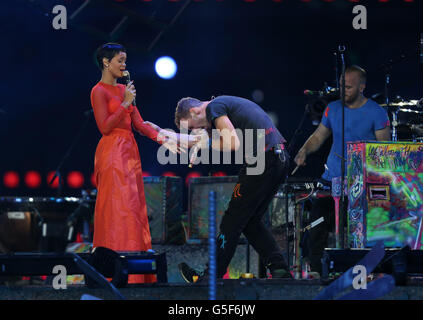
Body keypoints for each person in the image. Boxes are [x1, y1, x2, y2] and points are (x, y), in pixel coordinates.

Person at [171, 95, 291, 282]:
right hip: (279, 158)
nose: (196, 132)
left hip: (263, 160)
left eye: (193, 128)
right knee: (250, 222)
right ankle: (280, 269)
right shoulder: (222, 106)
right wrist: (203, 141)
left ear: (194, 112)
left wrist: (202, 142)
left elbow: (232, 143)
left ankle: (211, 275)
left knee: (231, 220)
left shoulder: (214, 107)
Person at [90, 43, 182, 283]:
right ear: (106, 62)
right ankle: (113, 271)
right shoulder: (98, 91)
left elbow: (139, 125)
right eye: (120, 60)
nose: (124, 65)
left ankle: (137, 275)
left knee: (133, 209)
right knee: (116, 209)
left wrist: (165, 140)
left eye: (125, 61)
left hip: (130, 153)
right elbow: (105, 127)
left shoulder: (124, 90)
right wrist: (124, 103)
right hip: (111, 153)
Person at [294, 65, 391, 276]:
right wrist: (304, 151)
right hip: (331, 181)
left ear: (362, 87)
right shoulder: (333, 109)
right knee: (316, 221)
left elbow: (386, 152)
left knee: (364, 227)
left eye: (347, 87)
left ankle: (367, 269)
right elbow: (319, 136)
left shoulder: (377, 112)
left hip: (362, 186)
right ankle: (318, 270)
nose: (342, 90)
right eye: (340, 86)